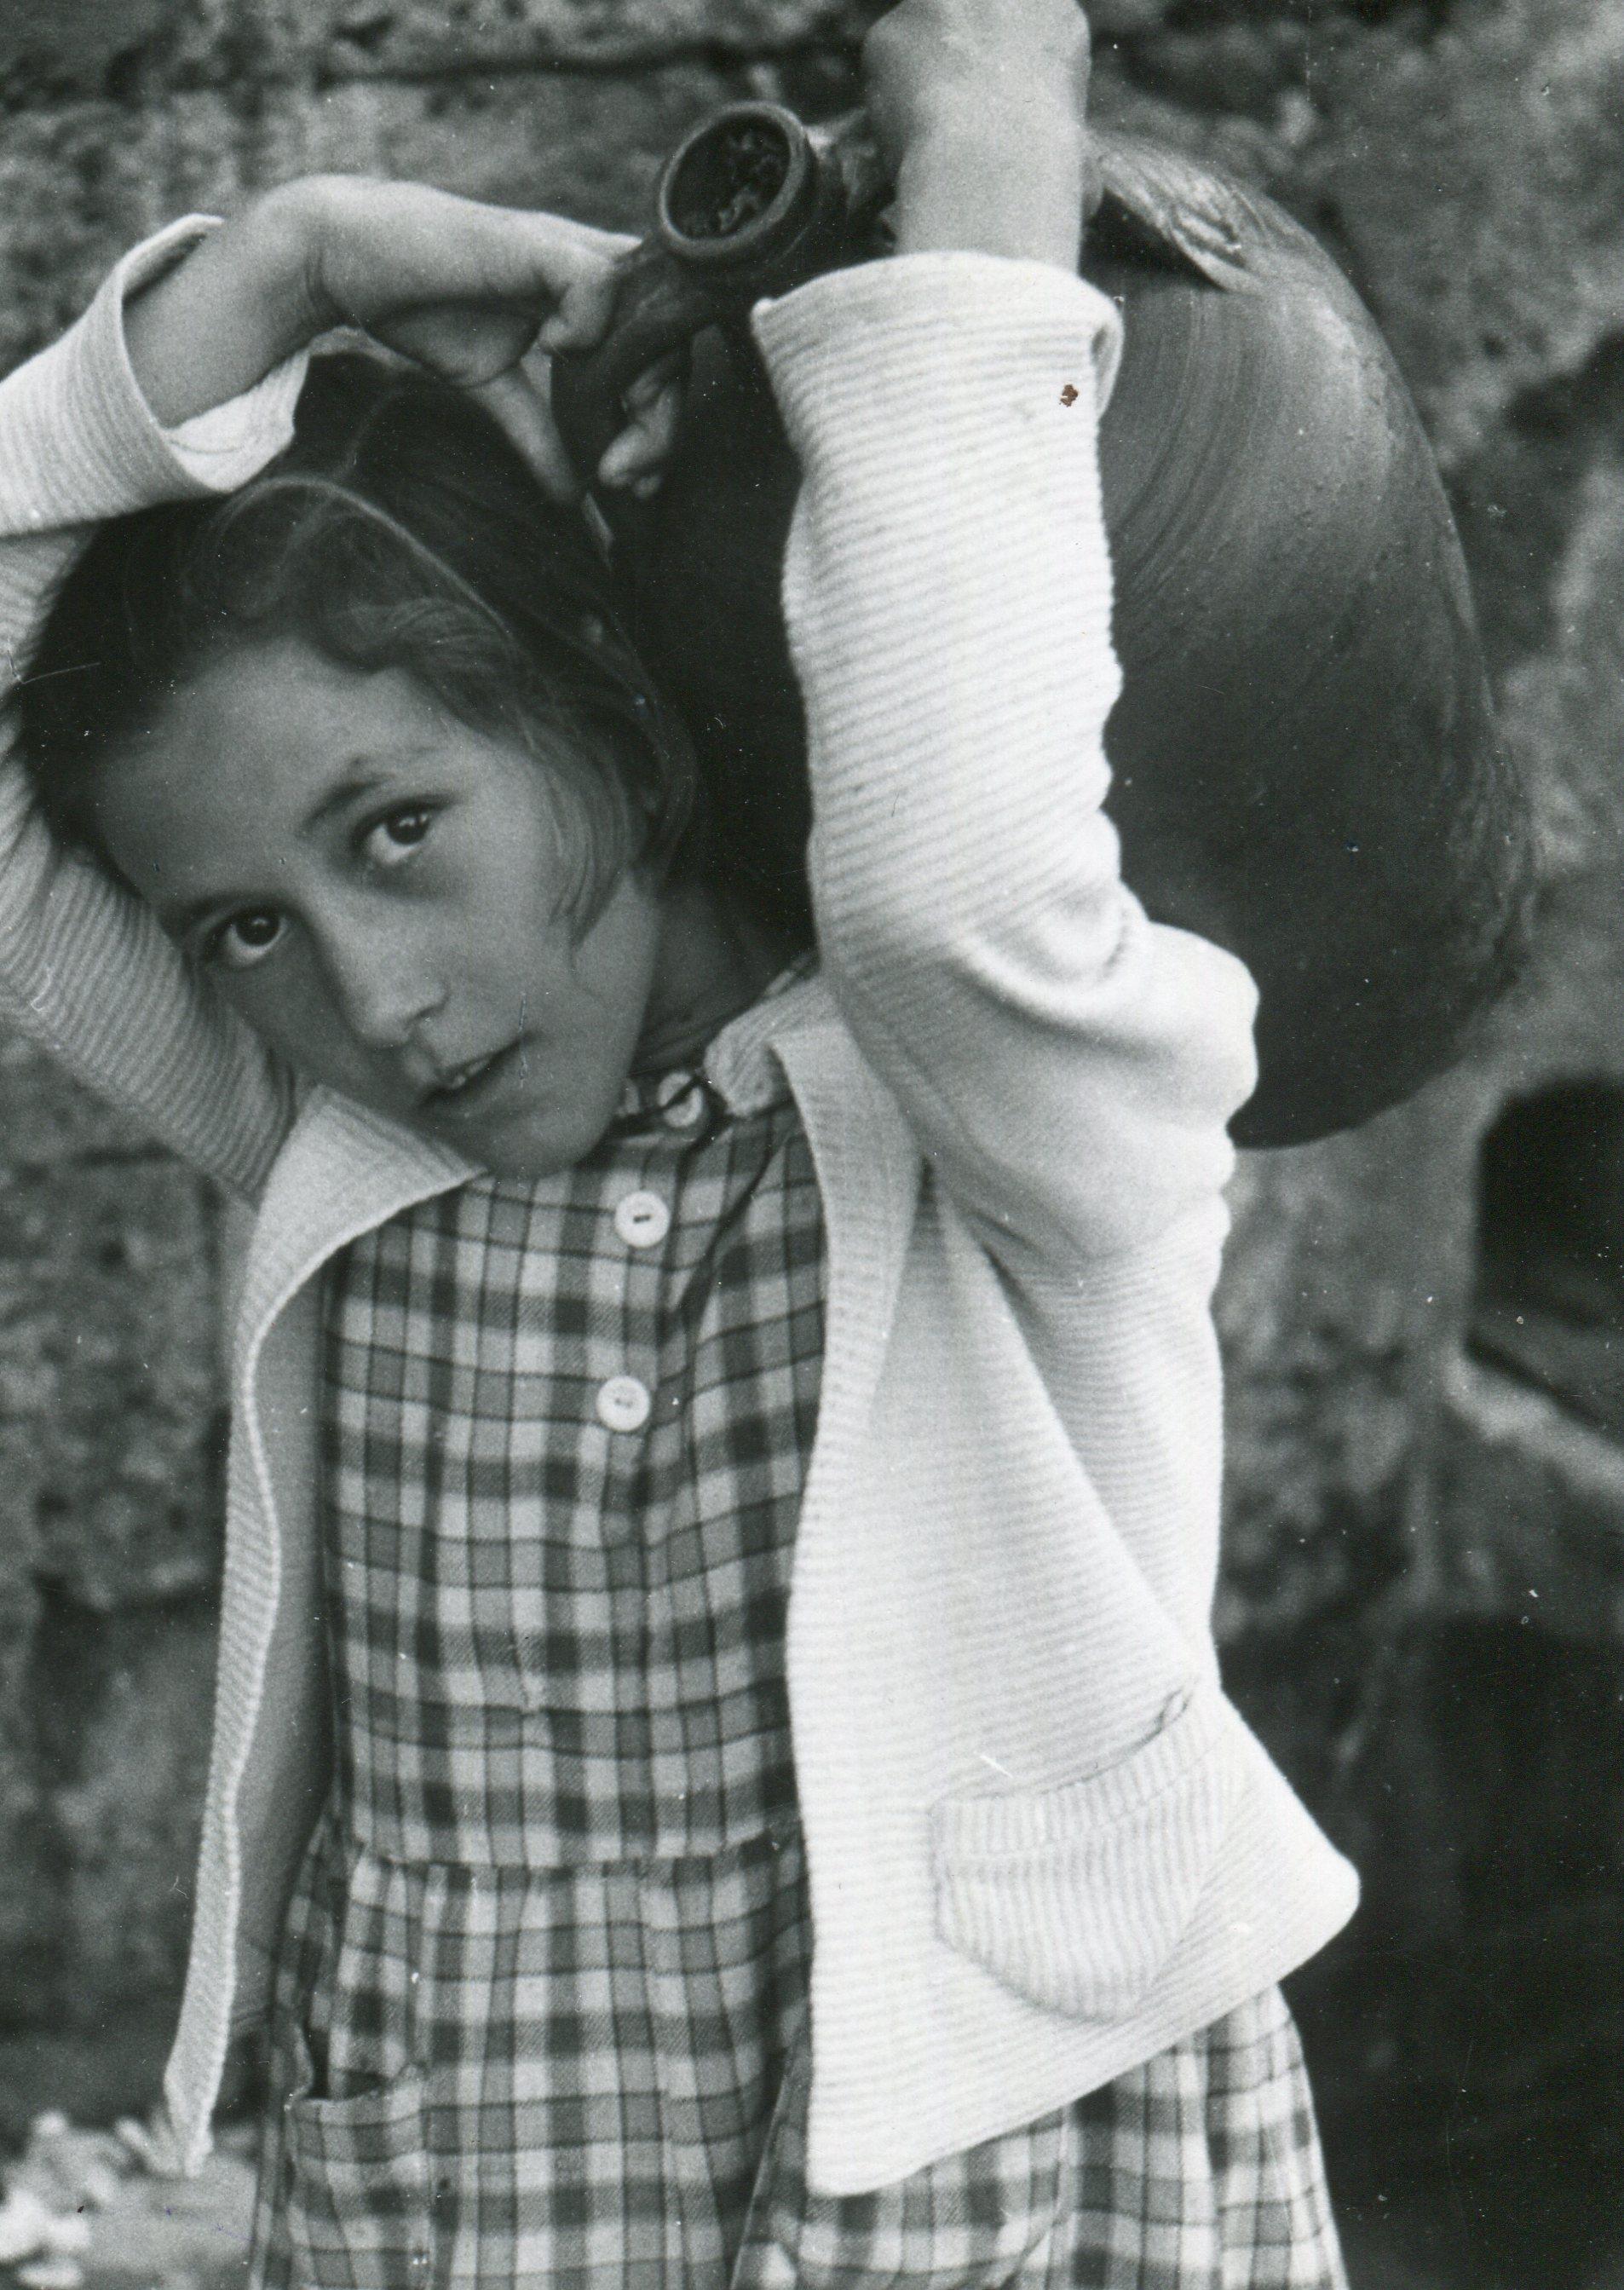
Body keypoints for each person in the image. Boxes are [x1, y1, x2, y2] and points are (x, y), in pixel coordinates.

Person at [0, 1, 1362, 2281]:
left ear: (617, 726)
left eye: (400, 828)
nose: (374, 995)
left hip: (981, 2194)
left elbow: (947, 858)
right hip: (476, 2184)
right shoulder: (349, 1146)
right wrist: (286, 260)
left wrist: (988, 144)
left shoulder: (1003, 1112)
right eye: (247, 923)